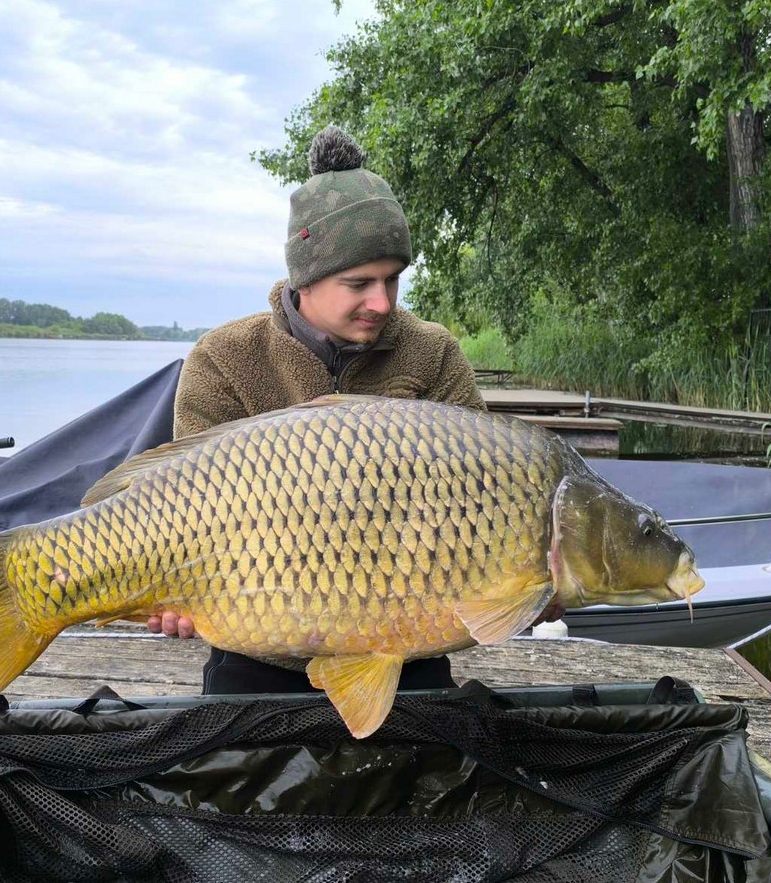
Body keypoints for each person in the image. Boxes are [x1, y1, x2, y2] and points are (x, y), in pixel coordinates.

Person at [151, 125, 563, 694]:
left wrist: (530, 586)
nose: (381, 302)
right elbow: (180, 509)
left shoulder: (433, 353)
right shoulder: (224, 359)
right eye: (359, 283)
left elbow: (492, 499)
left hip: (409, 649)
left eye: (392, 281)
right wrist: (171, 598)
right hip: (260, 650)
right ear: (306, 279)